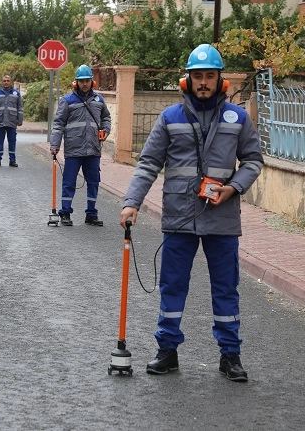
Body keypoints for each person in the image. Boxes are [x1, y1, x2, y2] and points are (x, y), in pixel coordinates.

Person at [119, 44, 264, 382]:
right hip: (180, 217)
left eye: (209, 76)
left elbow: (254, 161)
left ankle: (231, 356)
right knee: (173, 287)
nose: (203, 82)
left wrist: (233, 188)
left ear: (220, 80)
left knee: (226, 288)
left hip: (222, 217)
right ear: (187, 81)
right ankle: (167, 351)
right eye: (197, 76)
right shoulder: (170, 117)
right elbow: (148, 164)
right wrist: (131, 203)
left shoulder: (238, 118)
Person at [49, 64, 111, 227]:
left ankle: (91, 214)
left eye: (87, 81)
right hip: (74, 150)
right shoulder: (67, 101)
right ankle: (65, 213)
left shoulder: (99, 100)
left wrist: (106, 130)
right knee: (69, 182)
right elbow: (58, 123)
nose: (84, 84)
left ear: (92, 82)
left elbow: (106, 118)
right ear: (75, 83)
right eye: (81, 81)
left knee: (93, 182)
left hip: (93, 149)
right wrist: (55, 144)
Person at [0, 74, 24, 167]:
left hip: (12, 121)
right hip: (0, 121)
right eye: (4, 81)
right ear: (2, 82)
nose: (6, 82)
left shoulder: (16, 94)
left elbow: (20, 108)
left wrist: (20, 120)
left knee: (12, 141)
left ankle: (12, 160)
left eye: (8, 81)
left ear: (11, 82)